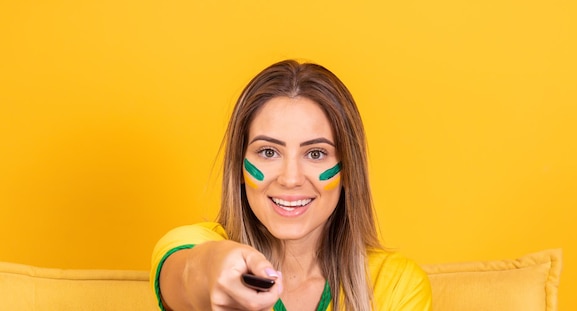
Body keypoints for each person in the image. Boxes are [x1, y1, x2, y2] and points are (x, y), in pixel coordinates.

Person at [150, 60, 432, 311]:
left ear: (348, 171)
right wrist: (213, 269)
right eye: (269, 152)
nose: (291, 178)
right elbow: (188, 273)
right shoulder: (193, 243)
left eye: (316, 153)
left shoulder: (397, 284)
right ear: (238, 166)